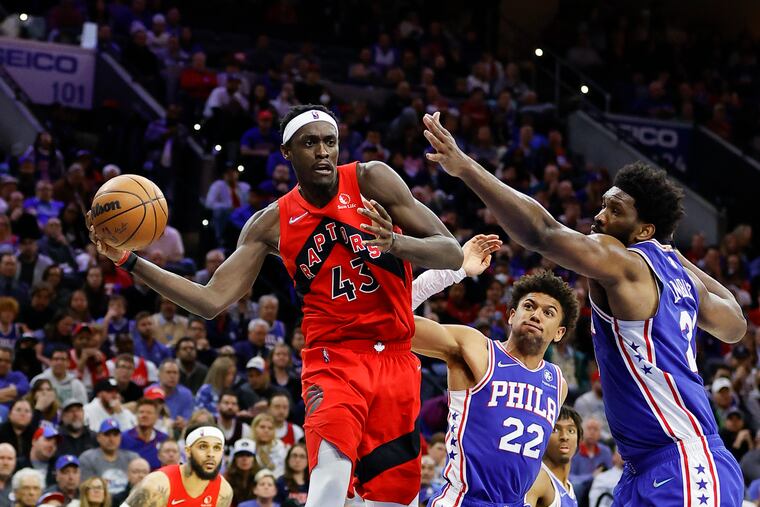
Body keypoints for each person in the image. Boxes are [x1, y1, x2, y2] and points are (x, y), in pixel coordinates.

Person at [423, 111, 747, 505]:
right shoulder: (682, 277)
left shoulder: (625, 260)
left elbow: (541, 233)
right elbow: (735, 324)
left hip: (683, 460)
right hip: (646, 465)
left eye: (615, 211)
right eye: (603, 205)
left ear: (643, 231)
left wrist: (467, 167)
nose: (599, 217)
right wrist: (670, 249)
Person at [411, 271, 576, 505]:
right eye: (529, 306)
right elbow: (396, 322)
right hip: (463, 500)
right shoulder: (478, 349)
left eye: (548, 313)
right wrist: (454, 271)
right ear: (511, 315)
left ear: (559, 332)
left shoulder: (557, 382)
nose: (536, 315)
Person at [121, 422, 233, 506]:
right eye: (203, 446)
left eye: (217, 448)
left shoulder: (223, 491)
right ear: (188, 451)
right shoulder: (157, 486)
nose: (211, 454)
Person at [525, 406, 582, 507]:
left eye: (571, 431)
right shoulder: (539, 478)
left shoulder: (568, 487)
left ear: (579, 440)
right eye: (555, 430)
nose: (564, 436)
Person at [79, 419, 139, 497]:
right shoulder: (88, 458)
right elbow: (86, 490)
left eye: (115, 435)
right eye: (107, 435)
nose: (111, 439)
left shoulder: (132, 458)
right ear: (98, 437)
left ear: (120, 437)